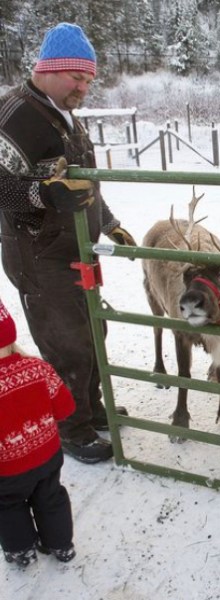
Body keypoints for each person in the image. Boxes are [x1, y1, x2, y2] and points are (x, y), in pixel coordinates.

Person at [0, 23, 136, 463]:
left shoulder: (65, 116)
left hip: (74, 249)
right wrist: (43, 192)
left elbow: (83, 181)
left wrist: (109, 220)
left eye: (89, 79)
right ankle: (72, 429)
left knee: (93, 331)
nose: (84, 86)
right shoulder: (14, 116)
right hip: (37, 255)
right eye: (77, 77)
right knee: (67, 343)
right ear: (49, 70)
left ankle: (92, 409)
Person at [0, 298, 76, 567]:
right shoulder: (38, 368)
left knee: (8, 506)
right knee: (51, 497)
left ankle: (21, 551)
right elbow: (66, 407)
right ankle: (61, 545)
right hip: (48, 456)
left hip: (7, 470)